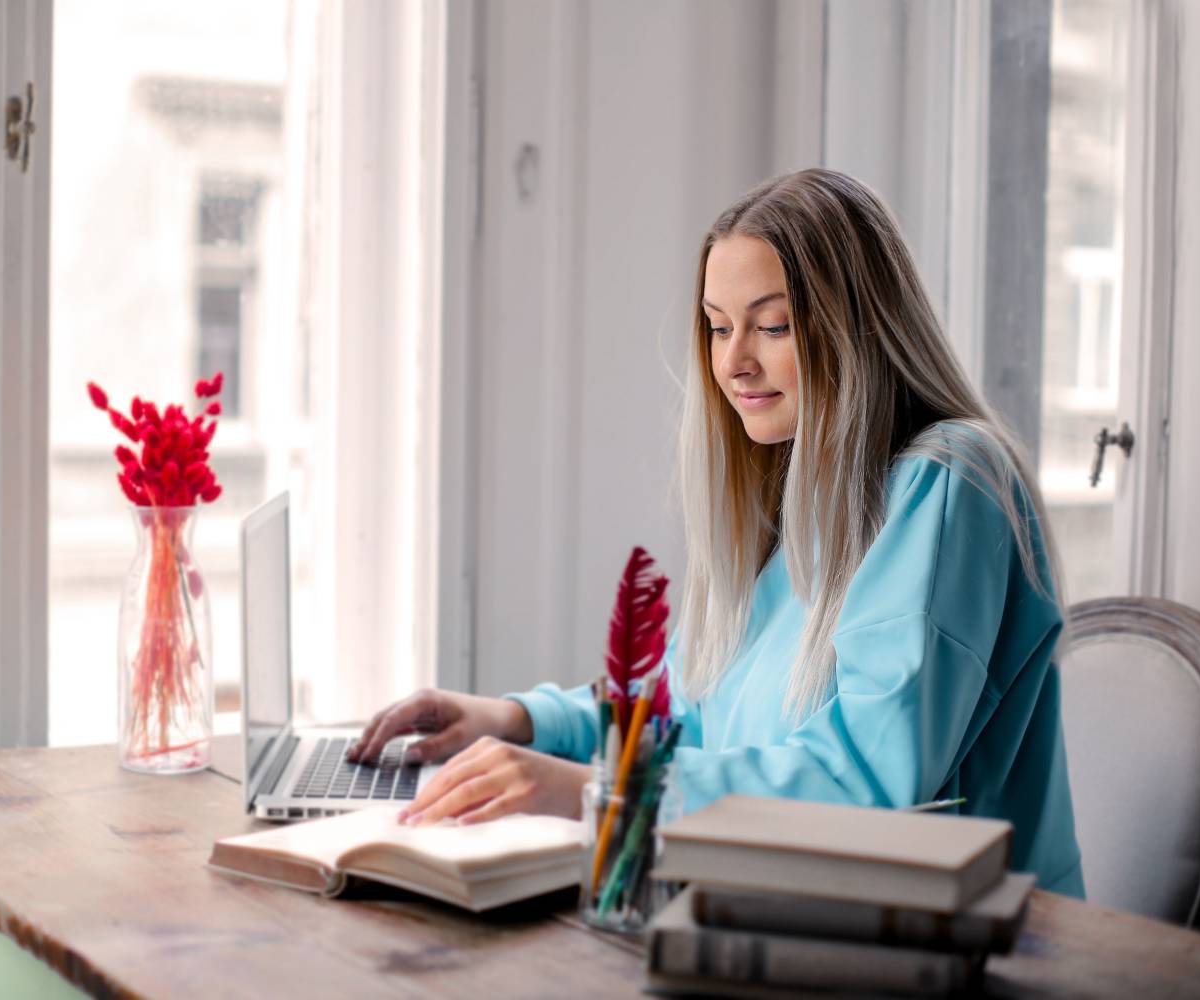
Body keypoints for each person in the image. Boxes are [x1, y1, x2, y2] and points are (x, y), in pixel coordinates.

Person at [347, 168, 1085, 896]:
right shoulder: (810, 505)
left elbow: (866, 781)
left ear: (859, 326)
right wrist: (512, 720)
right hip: (794, 919)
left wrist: (596, 789)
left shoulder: (947, 481)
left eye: (772, 326)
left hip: (965, 950)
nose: (733, 363)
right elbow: (692, 707)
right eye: (717, 327)